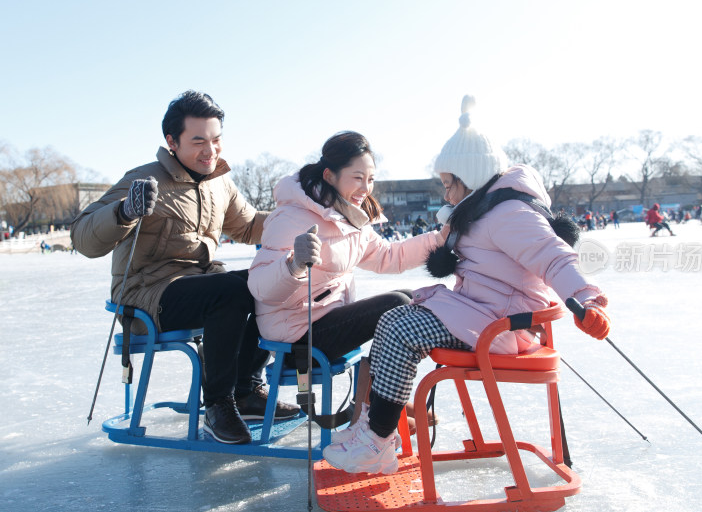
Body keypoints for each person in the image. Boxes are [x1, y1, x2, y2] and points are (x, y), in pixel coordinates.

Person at [321, 95, 610, 475]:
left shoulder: (508, 214)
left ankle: (375, 441)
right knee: (395, 319)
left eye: (448, 183)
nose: (445, 194)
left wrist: (589, 299)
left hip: (504, 325)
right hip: (482, 312)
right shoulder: (485, 209)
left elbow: (554, 256)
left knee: (398, 326)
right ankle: (373, 430)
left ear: (469, 178)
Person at [71, 90, 299, 446]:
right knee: (234, 289)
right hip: (148, 295)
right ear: (172, 142)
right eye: (198, 141)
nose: (210, 150)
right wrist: (124, 212)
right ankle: (218, 405)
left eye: (216, 140)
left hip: (203, 286)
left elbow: (250, 224)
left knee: (271, 280)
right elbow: (83, 238)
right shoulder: (143, 179)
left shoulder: (218, 182)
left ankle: (246, 389)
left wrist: (300, 221)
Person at [247, 131, 445, 434]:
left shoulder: (348, 217)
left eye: (371, 179)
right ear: (330, 175)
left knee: (408, 297)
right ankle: (378, 402)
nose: (366, 188)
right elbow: (260, 287)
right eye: (357, 178)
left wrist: (441, 239)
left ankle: (379, 397)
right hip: (297, 336)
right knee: (398, 304)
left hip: (326, 319)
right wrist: (293, 264)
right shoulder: (292, 217)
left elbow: (389, 256)